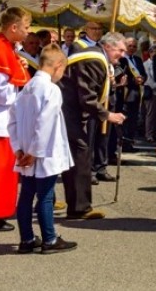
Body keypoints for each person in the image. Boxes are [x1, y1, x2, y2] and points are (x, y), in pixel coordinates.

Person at [10, 43, 77, 254]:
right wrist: (34, 152)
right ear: (57, 65)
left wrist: (19, 148)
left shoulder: (26, 88)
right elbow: (45, 122)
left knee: (26, 195)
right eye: (63, 69)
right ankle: (49, 238)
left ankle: (27, 238)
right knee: (46, 195)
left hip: (26, 150)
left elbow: (12, 121)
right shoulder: (51, 89)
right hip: (44, 151)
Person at [59, 32, 128, 220]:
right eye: (120, 50)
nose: (122, 55)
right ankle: (79, 208)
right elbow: (87, 96)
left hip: (69, 111)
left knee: (77, 156)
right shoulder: (94, 59)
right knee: (80, 155)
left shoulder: (97, 58)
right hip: (67, 112)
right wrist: (108, 115)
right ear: (107, 46)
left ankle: (77, 206)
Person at [0, 7, 32, 234]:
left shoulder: (6, 47)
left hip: (2, 121)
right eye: (25, 27)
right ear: (13, 27)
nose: (28, 32)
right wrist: (16, 84)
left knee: (5, 173)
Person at [116, 36, 147, 152]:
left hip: (136, 94)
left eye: (134, 46)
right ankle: (122, 144)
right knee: (124, 120)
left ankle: (129, 143)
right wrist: (134, 80)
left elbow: (143, 73)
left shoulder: (138, 60)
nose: (132, 48)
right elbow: (120, 75)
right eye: (130, 46)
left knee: (133, 120)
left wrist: (142, 79)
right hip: (125, 93)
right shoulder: (122, 59)